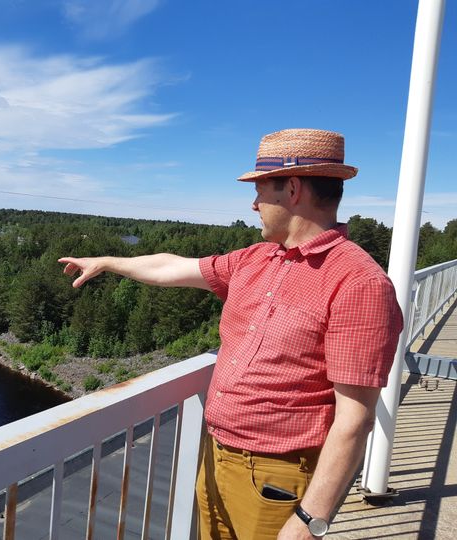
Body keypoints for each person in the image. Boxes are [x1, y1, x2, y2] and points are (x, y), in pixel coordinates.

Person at [58, 128, 402, 539]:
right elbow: (173, 267)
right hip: (217, 455)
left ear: (292, 189)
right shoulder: (256, 259)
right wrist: (109, 262)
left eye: (259, 190)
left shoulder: (358, 283)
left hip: (279, 478)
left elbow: (355, 420)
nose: (253, 203)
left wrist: (311, 520)